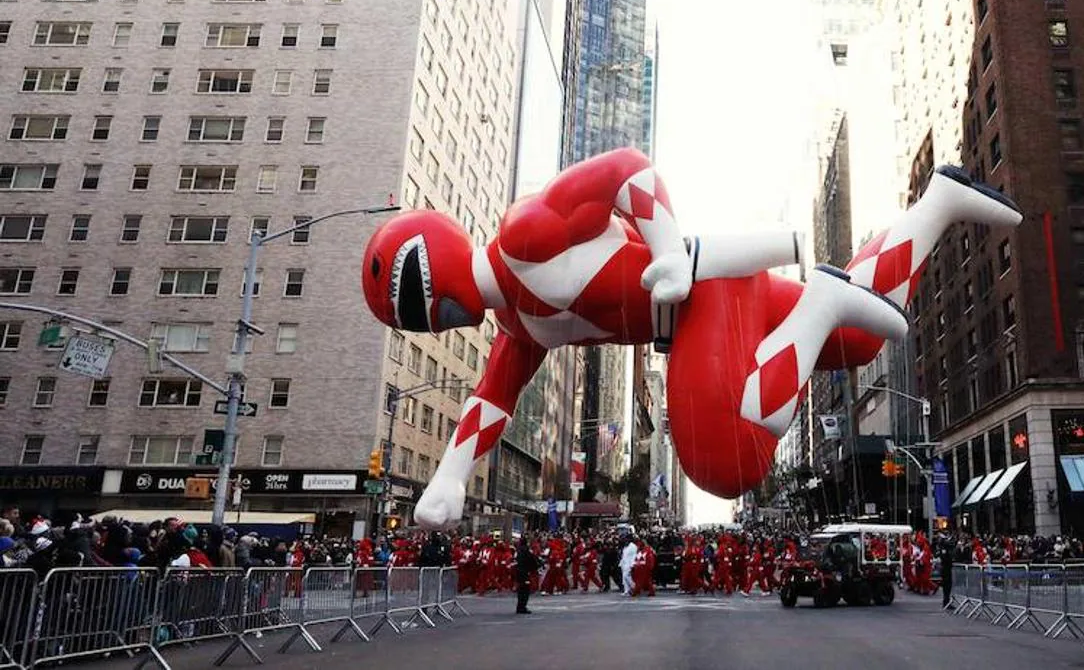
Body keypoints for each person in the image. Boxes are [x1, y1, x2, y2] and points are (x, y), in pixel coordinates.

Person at [361, 150, 1021, 528]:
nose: (439, 320)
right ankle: (939, 202)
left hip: (708, 290)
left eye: (424, 304)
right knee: (861, 341)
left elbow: (627, 169)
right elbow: (489, 402)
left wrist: (667, 247)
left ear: (436, 259)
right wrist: (448, 477)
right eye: (422, 320)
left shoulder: (522, 235)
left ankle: (820, 303)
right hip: (717, 294)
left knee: (726, 463)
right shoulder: (517, 329)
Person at [515, 536, 539, 615]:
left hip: (518, 573)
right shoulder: (526, 551)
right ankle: (522, 607)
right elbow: (532, 561)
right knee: (525, 591)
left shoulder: (517, 551)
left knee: (520, 591)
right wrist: (534, 568)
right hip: (525, 573)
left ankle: (519, 606)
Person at [939, 535, 954, 609]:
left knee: (948, 586)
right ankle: (946, 602)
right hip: (945, 569)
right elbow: (945, 558)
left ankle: (947, 601)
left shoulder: (945, 549)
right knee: (947, 586)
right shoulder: (943, 549)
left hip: (946, 569)